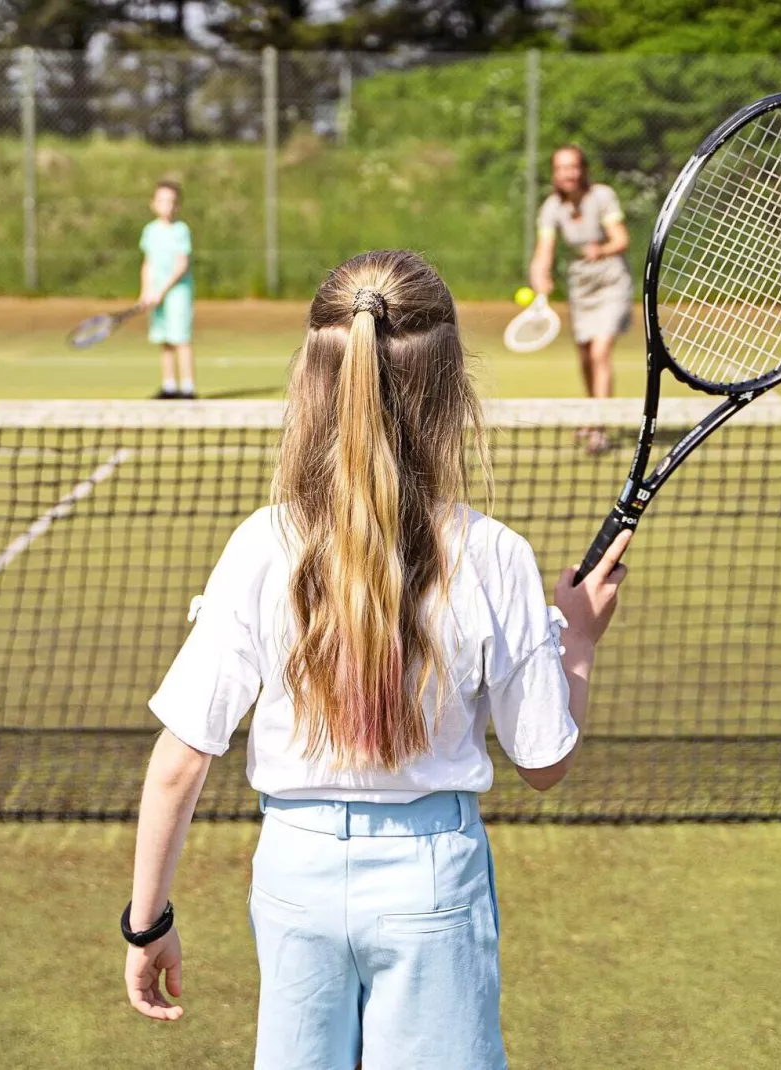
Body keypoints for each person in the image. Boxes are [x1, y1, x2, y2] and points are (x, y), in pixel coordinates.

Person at [121, 249, 633, 1068]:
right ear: (452, 388)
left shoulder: (262, 544)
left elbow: (181, 759)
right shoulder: (495, 554)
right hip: (434, 878)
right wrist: (576, 642)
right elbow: (545, 762)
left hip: (296, 871)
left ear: (315, 379)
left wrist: (146, 922)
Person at [528, 145, 633, 453]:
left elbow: (621, 239)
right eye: (561, 168)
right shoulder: (551, 207)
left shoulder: (602, 196)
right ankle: (592, 413)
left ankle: (599, 428)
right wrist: (540, 277)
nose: (567, 173)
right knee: (586, 355)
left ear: (583, 169)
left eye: (572, 167)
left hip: (612, 280)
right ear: (554, 174)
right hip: (581, 284)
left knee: (600, 352)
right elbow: (543, 252)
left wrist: (600, 250)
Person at [139, 180, 196, 399]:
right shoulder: (150, 231)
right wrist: (146, 291)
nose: (167, 205)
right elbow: (148, 263)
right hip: (155, 296)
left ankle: (188, 388)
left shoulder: (181, 231)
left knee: (181, 339)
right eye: (162, 200)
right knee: (165, 340)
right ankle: (170, 386)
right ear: (153, 204)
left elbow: (182, 265)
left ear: (178, 205)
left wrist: (161, 291)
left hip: (177, 293)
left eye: (172, 201)